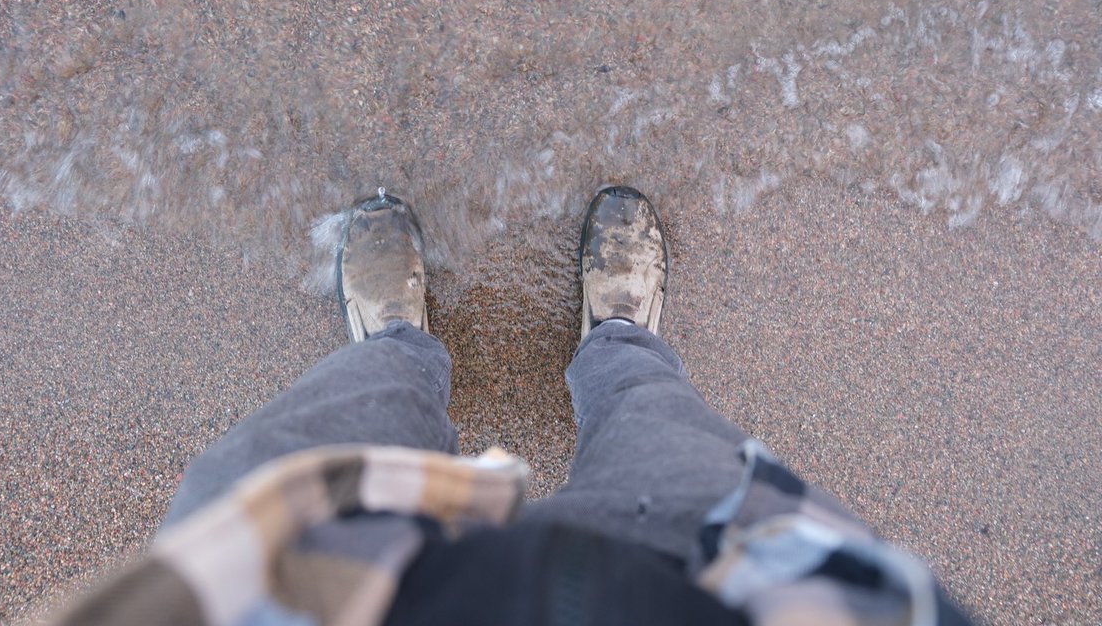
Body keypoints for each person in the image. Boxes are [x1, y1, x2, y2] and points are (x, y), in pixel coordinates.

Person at [55, 186, 971, 625]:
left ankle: (397, 347)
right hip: (709, 579)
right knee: (658, 418)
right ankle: (617, 336)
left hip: (317, 604)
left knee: (304, 444)